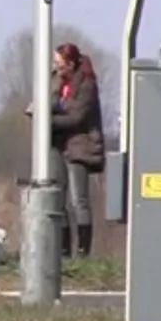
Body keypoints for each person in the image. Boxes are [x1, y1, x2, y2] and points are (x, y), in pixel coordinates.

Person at [48, 42, 105, 257]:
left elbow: (77, 117)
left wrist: (49, 120)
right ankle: (63, 250)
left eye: (60, 64)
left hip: (79, 145)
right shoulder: (56, 80)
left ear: (71, 64)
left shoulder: (86, 85)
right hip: (59, 144)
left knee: (78, 199)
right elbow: (50, 101)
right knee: (59, 197)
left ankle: (83, 251)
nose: (57, 68)